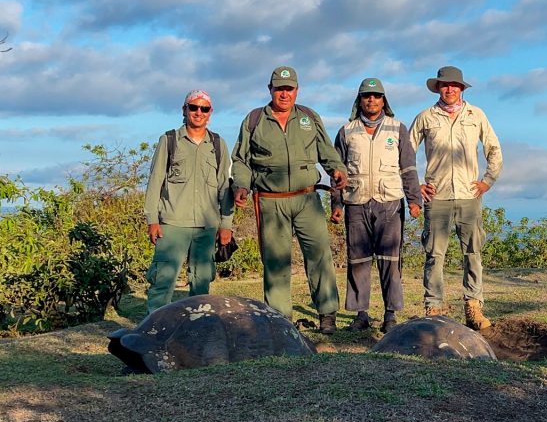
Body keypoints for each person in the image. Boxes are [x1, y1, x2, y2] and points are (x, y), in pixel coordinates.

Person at [231, 65, 348, 333]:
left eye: (289, 89)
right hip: (271, 200)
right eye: (279, 89)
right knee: (276, 260)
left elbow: (326, 151)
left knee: (319, 255)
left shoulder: (308, 117)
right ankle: (279, 319)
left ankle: (327, 314)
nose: (284, 94)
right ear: (270, 89)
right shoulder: (254, 119)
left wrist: (337, 170)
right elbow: (241, 159)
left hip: (307, 198)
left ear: (297, 90)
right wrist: (241, 185)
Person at [409, 65, 503, 329]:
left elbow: (494, 149)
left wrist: (487, 181)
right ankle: (433, 308)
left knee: (472, 253)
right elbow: (405, 153)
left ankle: (473, 307)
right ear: (438, 88)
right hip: (436, 196)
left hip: (468, 195)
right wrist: (415, 186)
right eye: (444, 85)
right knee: (434, 254)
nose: (449, 89)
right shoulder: (426, 117)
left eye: (454, 85)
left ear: (461, 88)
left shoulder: (477, 115)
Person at [330, 77, 423, 334]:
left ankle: (390, 314)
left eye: (376, 96)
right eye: (366, 96)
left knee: (390, 259)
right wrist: (336, 204)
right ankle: (361, 315)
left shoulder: (398, 129)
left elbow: (409, 168)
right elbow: (337, 172)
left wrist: (414, 200)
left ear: (384, 100)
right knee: (358, 259)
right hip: (356, 202)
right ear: (359, 100)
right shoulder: (346, 131)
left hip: (390, 202)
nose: (371, 100)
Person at [143, 89, 234, 312]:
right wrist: (152, 220)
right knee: (162, 282)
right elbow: (155, 181)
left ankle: (198, 331)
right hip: (172, 223)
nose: (198, 112)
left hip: (207, 226)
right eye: (193, 107)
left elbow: (225, 186)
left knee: (201, 283)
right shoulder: (169, 140)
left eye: (204, 108)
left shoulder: (218, 144)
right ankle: (153, 331)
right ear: (184, 110)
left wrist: (226, 225)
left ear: (210, 112)